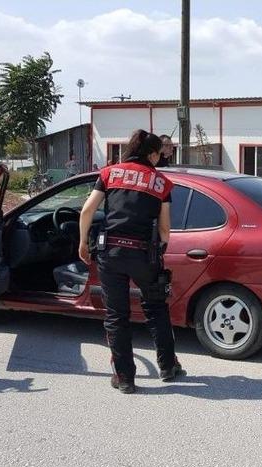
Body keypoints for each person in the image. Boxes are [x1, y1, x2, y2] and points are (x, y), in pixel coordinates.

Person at [79, 129, 184, 394]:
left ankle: (125, 378)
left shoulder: (109, 173)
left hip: (110, 253)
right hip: (143, 255)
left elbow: (87, 210)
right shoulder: (162, 184)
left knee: (117, 316)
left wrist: (82, 242)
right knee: (156, 308)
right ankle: (168, 366)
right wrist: (160, 251)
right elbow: (164, 229)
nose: (161, 158)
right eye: (159, 153)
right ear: (150, 154)